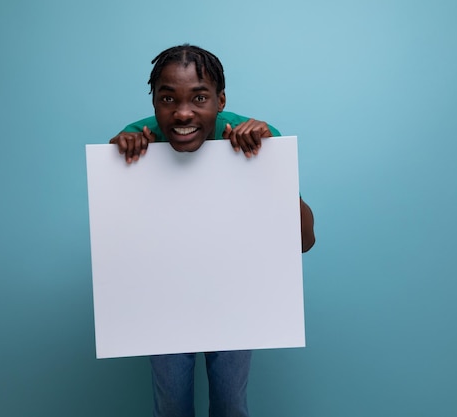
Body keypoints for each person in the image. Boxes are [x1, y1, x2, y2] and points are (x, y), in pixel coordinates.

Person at [108, 44, 315, 417]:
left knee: (231, 405)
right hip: (165, 302)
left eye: (199, 97)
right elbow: (121, 243)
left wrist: (273, 170)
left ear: (220, 101)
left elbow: (304, 241)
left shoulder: (258, 140)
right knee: (171, 407)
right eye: (167, 97)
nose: (183, 111)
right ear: (154, 101)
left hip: (234, 300)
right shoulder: (138, 141)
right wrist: (118, 167)